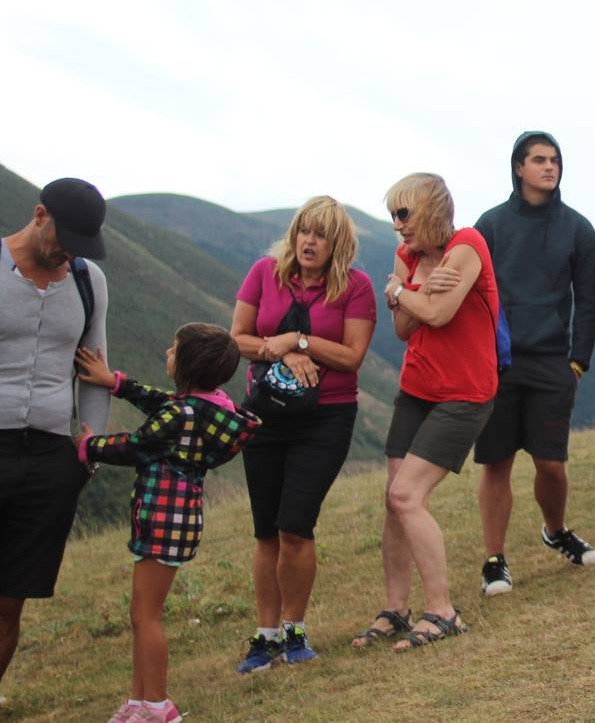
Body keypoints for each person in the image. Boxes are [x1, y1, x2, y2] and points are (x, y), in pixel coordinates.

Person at [75, 325, 260, 723]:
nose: (167, 351)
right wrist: (118, 384)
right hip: (175, 520)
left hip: (162, 520)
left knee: (146, 616)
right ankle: (139, 702)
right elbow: (163, 405)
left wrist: (89, 445)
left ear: (187, 364)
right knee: (142, 615)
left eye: (175, 349)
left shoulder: (180, 415)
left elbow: (137, 445)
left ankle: (158, 706)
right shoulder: (206, 406)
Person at [351, 173, 498, 651]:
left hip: (464, 392)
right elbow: (403, 326)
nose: (397, 226)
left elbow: (438, 314)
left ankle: (442, 612)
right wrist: (409, 290)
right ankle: (396, 609)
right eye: (393, 215)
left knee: (408, 496)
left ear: (431, 209)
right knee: (393, 499)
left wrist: (400, 289)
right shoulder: (409, 257)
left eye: (404, 214)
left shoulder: (468, 244)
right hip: (417, 387)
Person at [230, 197, 377, 672]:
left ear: (339, 243)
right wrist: (282, 354)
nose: (310, 242)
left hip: (326, 418)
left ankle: (295, 630)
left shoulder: (357, 287)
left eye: (321, 234)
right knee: (266, 528)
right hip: (266, 413)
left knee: (295, 524)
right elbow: (238, 338)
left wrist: (299, 341)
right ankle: (265, 635)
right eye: (304, 232)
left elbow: (353, 356)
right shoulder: (263, 273)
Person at [465, 132, 595, 596]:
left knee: (551, 465)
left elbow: (588, 300)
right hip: (497, 363)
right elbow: (469, 293)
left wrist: (578, 362)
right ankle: (494, 561)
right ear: (518, 168)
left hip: (552, 362)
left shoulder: (579, 229)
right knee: (496, 463)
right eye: (539, 160)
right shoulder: (491, 225)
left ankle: (555, 530)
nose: (549, 167)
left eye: (555, 160)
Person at [0, 178, 110, 689]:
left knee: (10, 599)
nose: (69, 254)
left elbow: (95, 371)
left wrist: (89, 450)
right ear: (39, 215)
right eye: (64, 239)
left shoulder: (89, 281)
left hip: (49, 455)